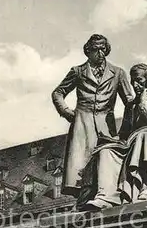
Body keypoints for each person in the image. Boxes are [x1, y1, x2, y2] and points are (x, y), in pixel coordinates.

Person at [83, 63, 147, 210]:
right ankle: (106, 197)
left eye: (139, 80)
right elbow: (124, 134)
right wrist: (108, 140)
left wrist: (144, 105)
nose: (135, 85)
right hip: (132, 146)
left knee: (145, 136)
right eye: (132, 82)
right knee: (106, 150)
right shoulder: (131, 105)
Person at [51, 34, 133, 198]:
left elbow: (129, 102)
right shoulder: (78, 72)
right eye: (96, 49)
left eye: (103, 49)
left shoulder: (118, 73)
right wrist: (68, 113)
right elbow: (58, 93)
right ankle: (84, 201)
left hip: (107, 127)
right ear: (88, 51)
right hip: (82, 126)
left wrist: (126, 129)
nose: (100, 53)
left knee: (106, 168)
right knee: (81, 173)